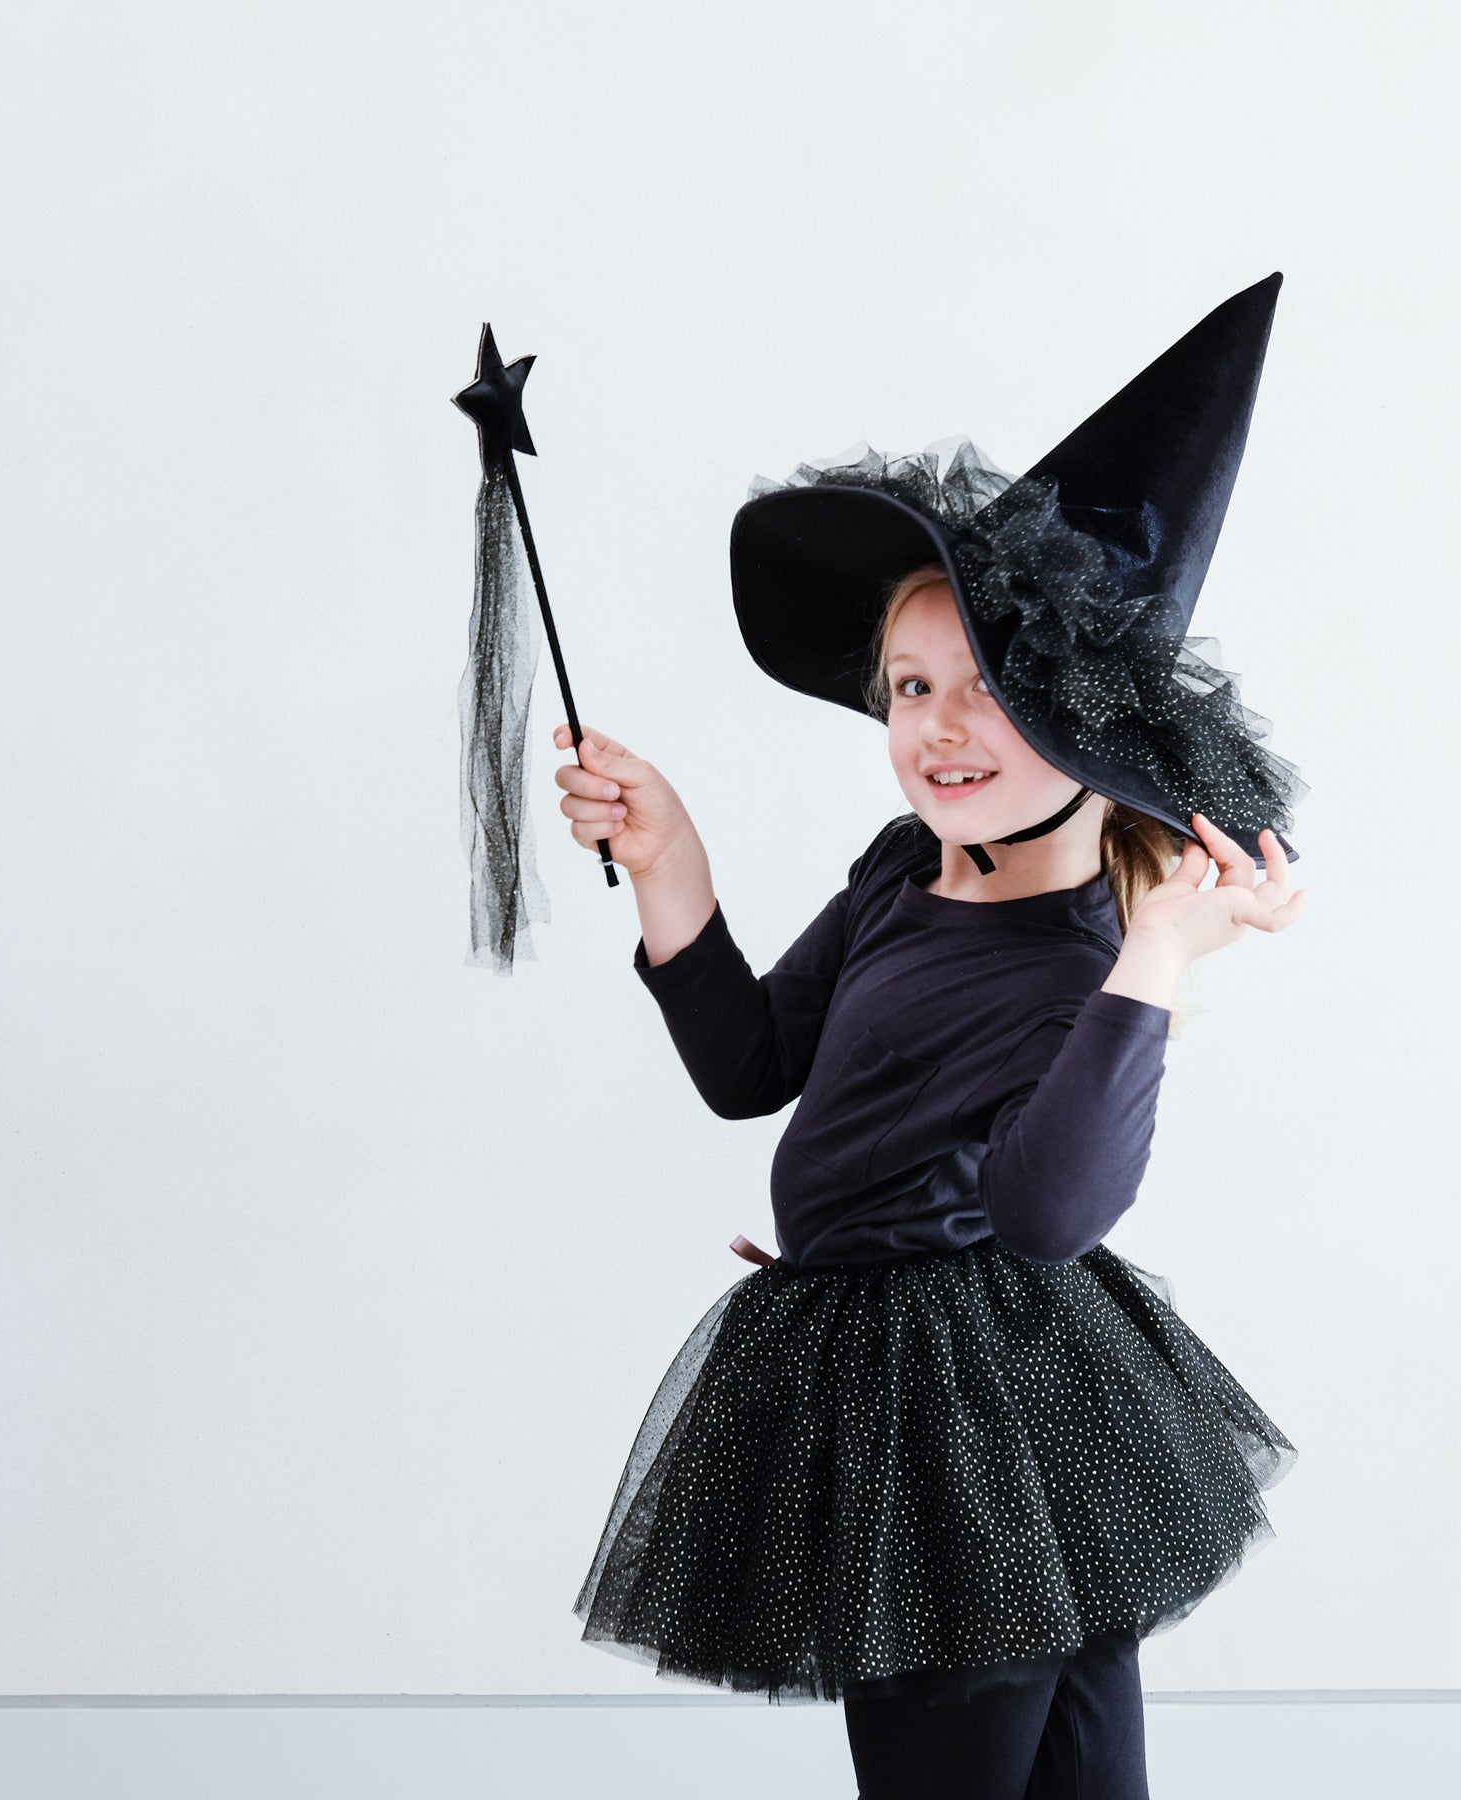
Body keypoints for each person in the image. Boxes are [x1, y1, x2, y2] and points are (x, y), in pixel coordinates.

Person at [560, 274, 1309, 1799]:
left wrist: (1160, 955)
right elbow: (752, 1069)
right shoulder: (905, 872)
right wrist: (670, 864)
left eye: (996, 690)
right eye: (914, 686)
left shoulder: (1087, 959)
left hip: (965, 1425)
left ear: (1095, 724)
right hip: (933, 1399)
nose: (942, 728)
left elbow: (1048, 1211)